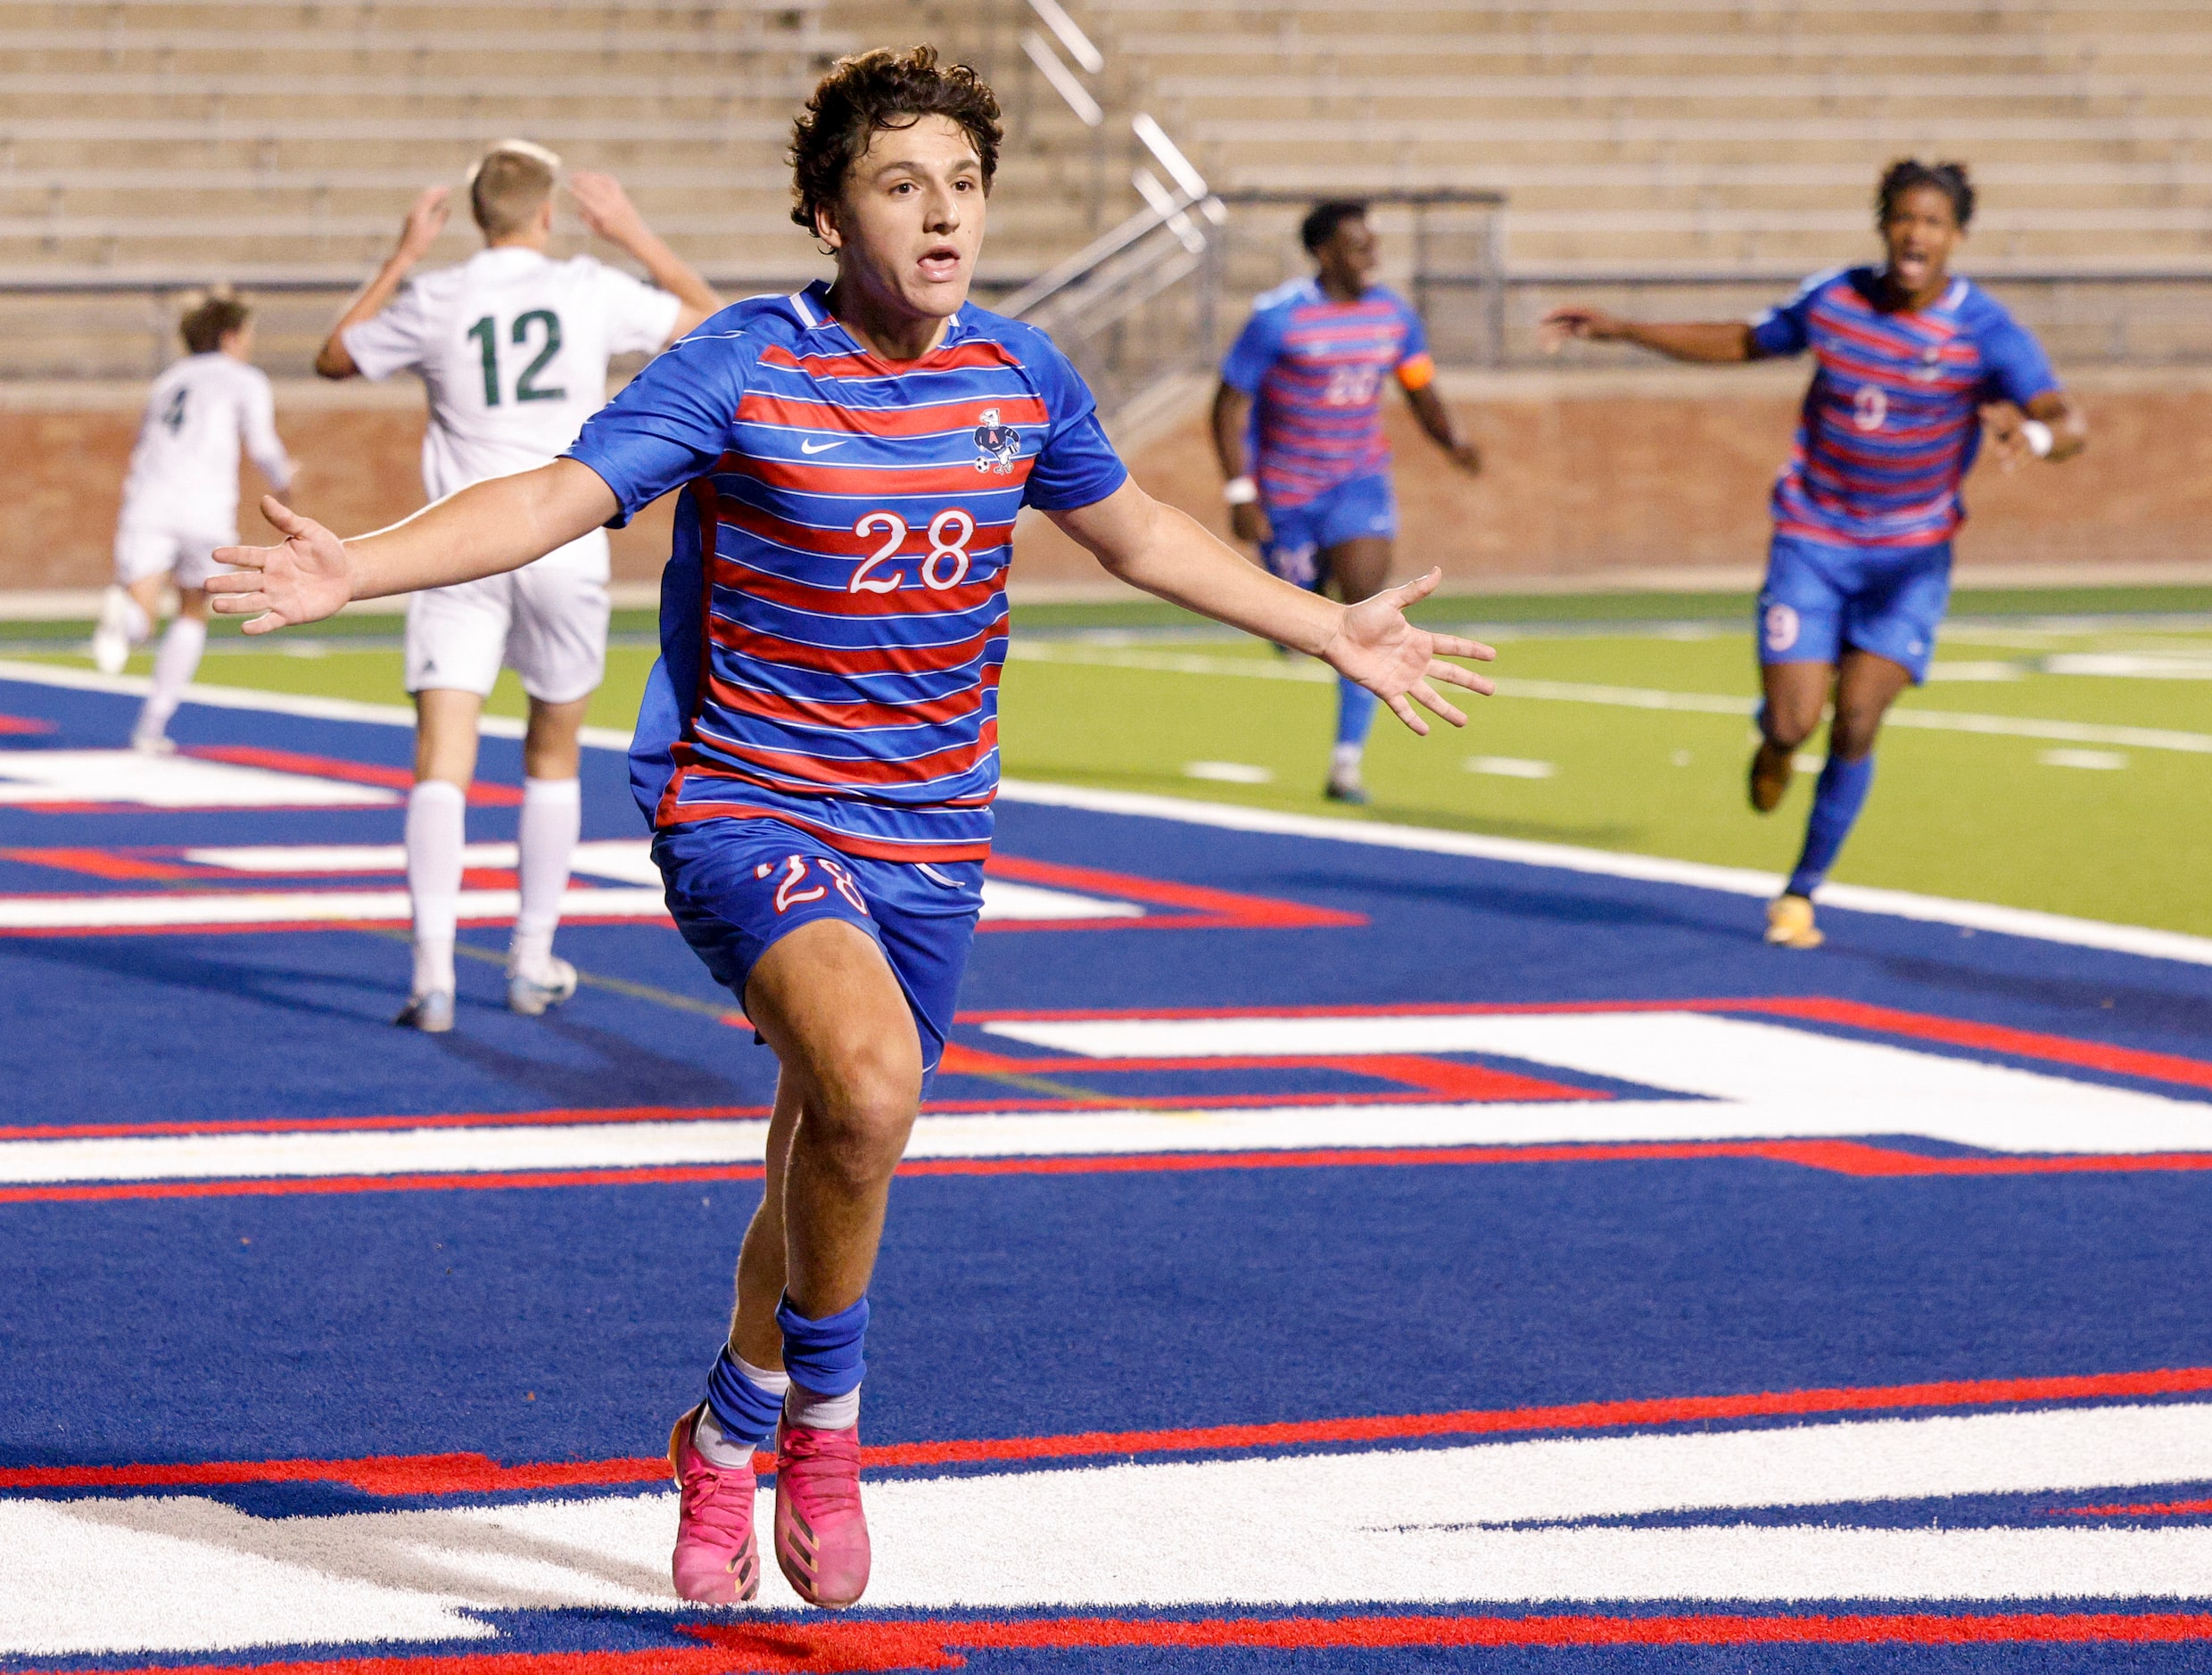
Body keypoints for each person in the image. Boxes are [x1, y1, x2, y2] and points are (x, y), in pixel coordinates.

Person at [210, 46, 1493, 1608]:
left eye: (961, 182)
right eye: (900, 183)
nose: (940, 212)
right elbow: (560, 495)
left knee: (831, 1138)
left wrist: (1323, 626)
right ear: (826, 212)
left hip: (934, 825)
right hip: (742, 794)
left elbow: (1140, 527)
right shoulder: (740, 362)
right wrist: (366, 563)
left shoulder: (1020, 375)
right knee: (873, 1085)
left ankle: (726, 1421)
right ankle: (827, 1426)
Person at [1542, 160, 2085, 949]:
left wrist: (2031, 433)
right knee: (1797, 721)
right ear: (1883, 223)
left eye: (1933, 223)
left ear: (1957, 237)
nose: (1916, 235)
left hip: (1910, 560)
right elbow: (1743, 339)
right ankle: (1774, 742)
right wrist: (1625, 329)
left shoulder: (1986, 330)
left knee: (1859, 719)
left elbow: (2069, 423)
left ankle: (1800, 892)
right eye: (1904, 218)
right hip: (1814, 541)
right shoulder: (1835, 298)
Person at [316, 142, 721, 1029]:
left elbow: (335, 358)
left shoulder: (437, 296)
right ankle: (530, 958)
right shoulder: (587, 286)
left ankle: (431, 976)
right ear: (547, 213)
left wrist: (399, 258)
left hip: (457, 541)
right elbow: (710, 322)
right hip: (565, 538)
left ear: (472, 216)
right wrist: (631, 232)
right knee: (552, 752)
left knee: (441, 762)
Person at [1211, 201, 1482, 804]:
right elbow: (1228, 407)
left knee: (1368, 613)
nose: (1372, 258)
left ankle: (1345, 763)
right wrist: (1241, 491)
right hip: (1287, 492)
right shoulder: (1278, 318)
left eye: (1374, 245)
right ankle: (1288, 613)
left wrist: (1453, 442)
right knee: (1296, 621)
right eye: (1358, 248)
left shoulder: (1393, 316)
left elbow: (1419, 387)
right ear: (1325, 253)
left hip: (1359, 485)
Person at [93, 288, 297, 753]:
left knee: (142, 612)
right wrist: (286, 483)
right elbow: (263, 444)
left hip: (150, 501)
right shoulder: (243, 379)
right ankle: (152, 724)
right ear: (229, 337)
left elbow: (143, 442)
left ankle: (122, 621)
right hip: (205, 509)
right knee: (191, 611)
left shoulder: (167, 381)